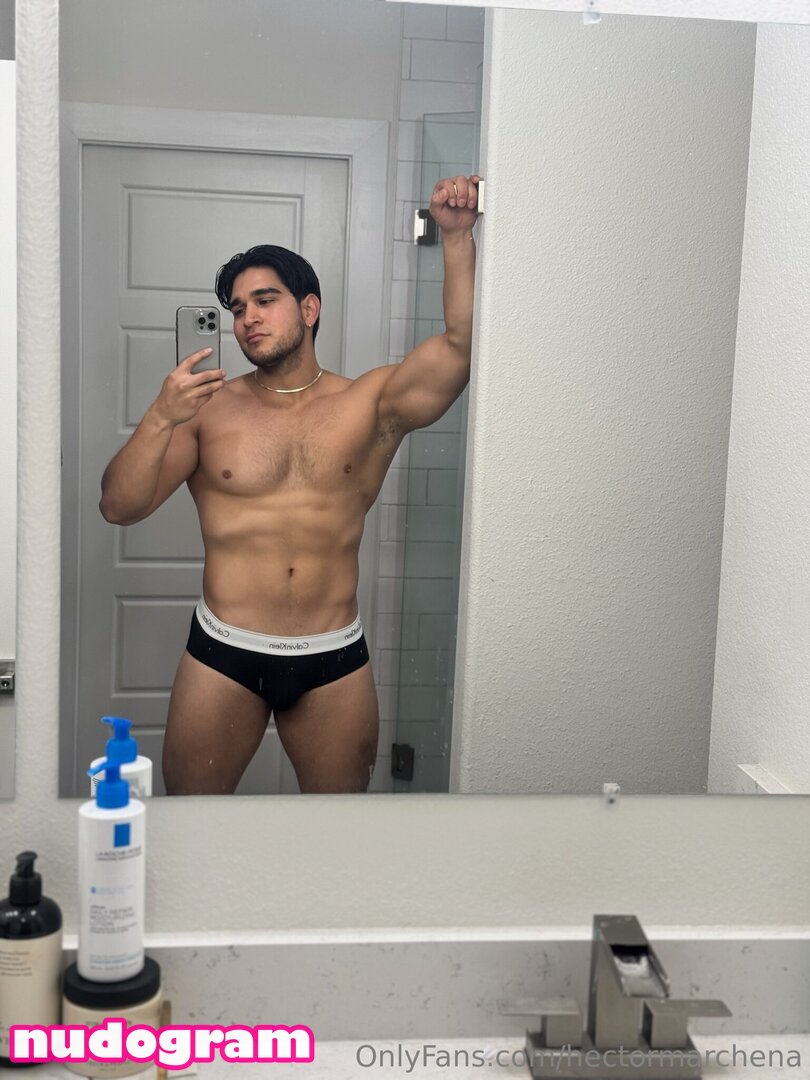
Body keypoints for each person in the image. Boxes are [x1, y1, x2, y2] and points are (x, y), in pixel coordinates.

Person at [99, 174, 480, 795]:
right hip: (224, 651)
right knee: (195, 823)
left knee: (334, 834)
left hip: (333, 656)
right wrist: (162, 415)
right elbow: (119, 505)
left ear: (309, 308)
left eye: (265, 300)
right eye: (237, 309)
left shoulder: (369, 403)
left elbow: (461, 347)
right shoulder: (205, 411)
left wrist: (457, 236)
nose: (248, 318)